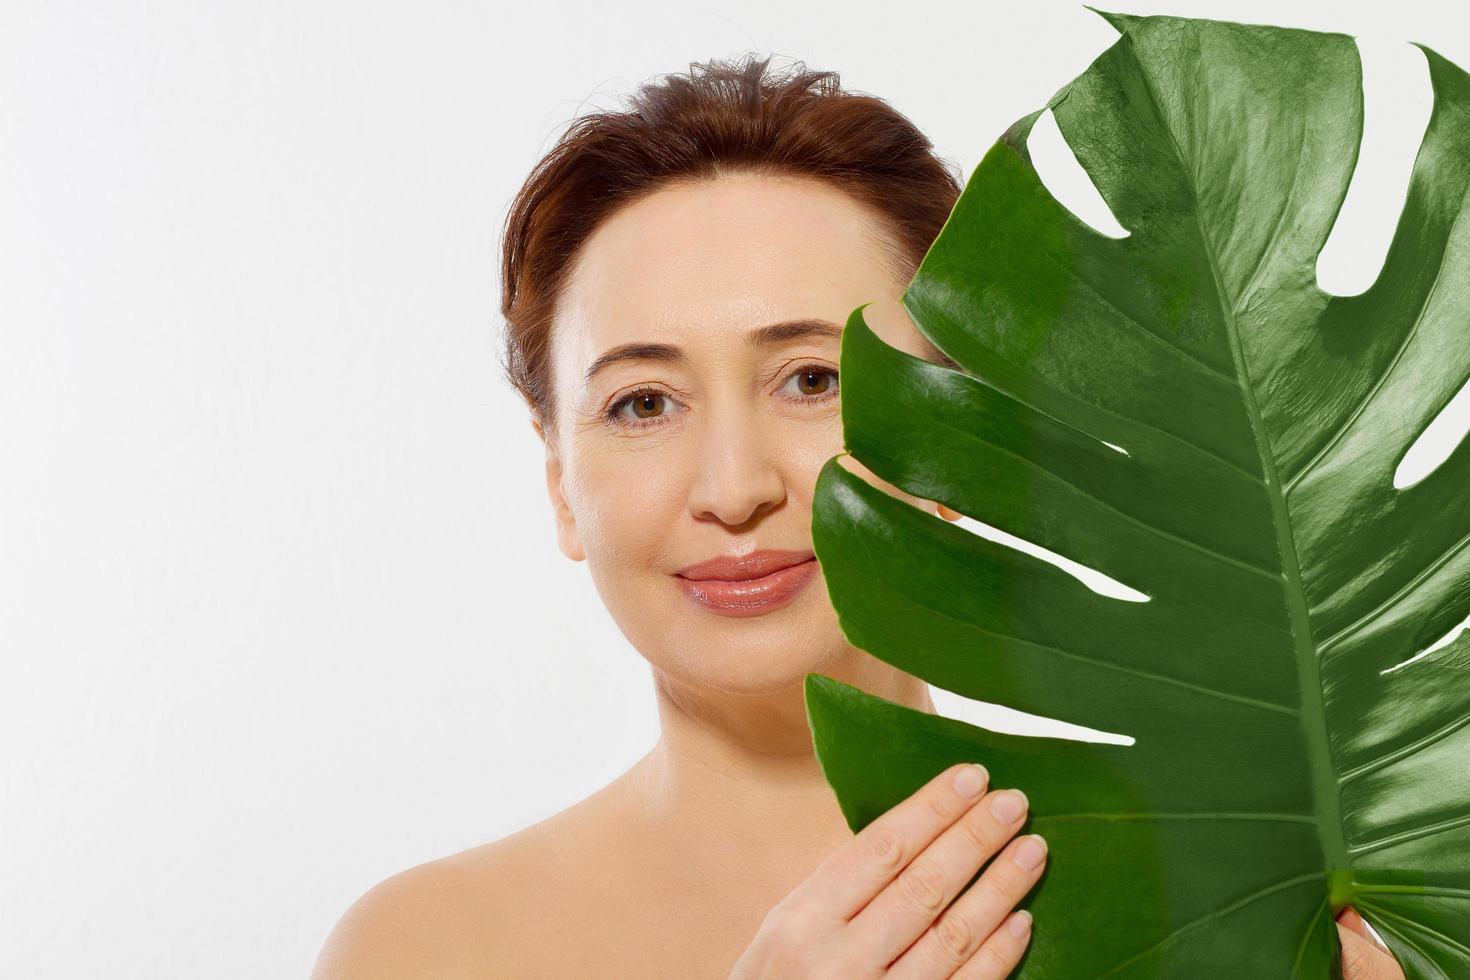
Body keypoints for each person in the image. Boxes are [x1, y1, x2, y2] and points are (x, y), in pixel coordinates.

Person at [310, 55, 1406, 979]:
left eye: (812, 379)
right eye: (644, 402)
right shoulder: (425, 947)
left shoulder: (1257, 909)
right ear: (561, 482)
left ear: (953, 420)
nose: (734, 485)